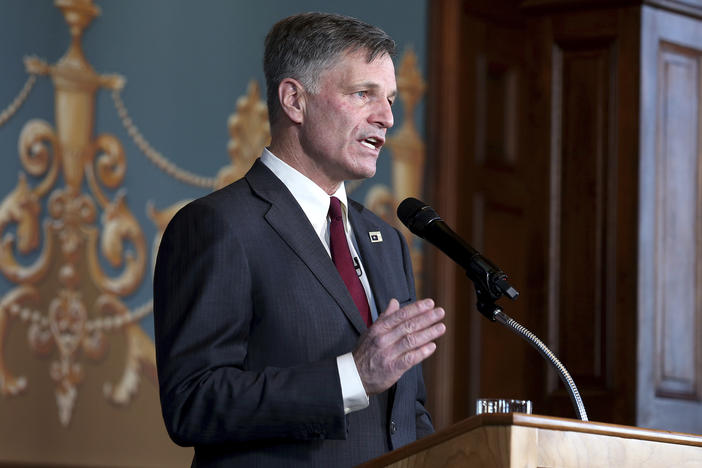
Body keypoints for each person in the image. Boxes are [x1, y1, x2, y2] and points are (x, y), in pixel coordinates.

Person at [153, 12, 446, 468]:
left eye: (389, 99)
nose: (387, 117)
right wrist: (351, 376)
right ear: (294, 100)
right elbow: (193, 402)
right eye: (363, 94)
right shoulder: (217, 226)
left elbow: (407, 413)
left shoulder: (387, 241)